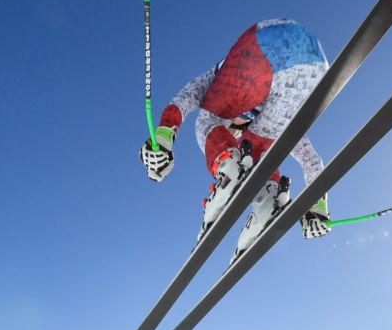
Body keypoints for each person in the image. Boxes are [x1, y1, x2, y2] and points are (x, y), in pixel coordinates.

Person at [140, 19, 332, 257]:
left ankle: (226, 165)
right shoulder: (274, 121)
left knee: (207, 118)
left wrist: (163, 138)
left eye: (232, 133)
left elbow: (185, 97)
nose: (236, 134)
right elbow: (311, 159)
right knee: (261, 143)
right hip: (317, 71)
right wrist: (318, 204)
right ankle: (269, 197)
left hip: (263, 47)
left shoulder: (220, 84)